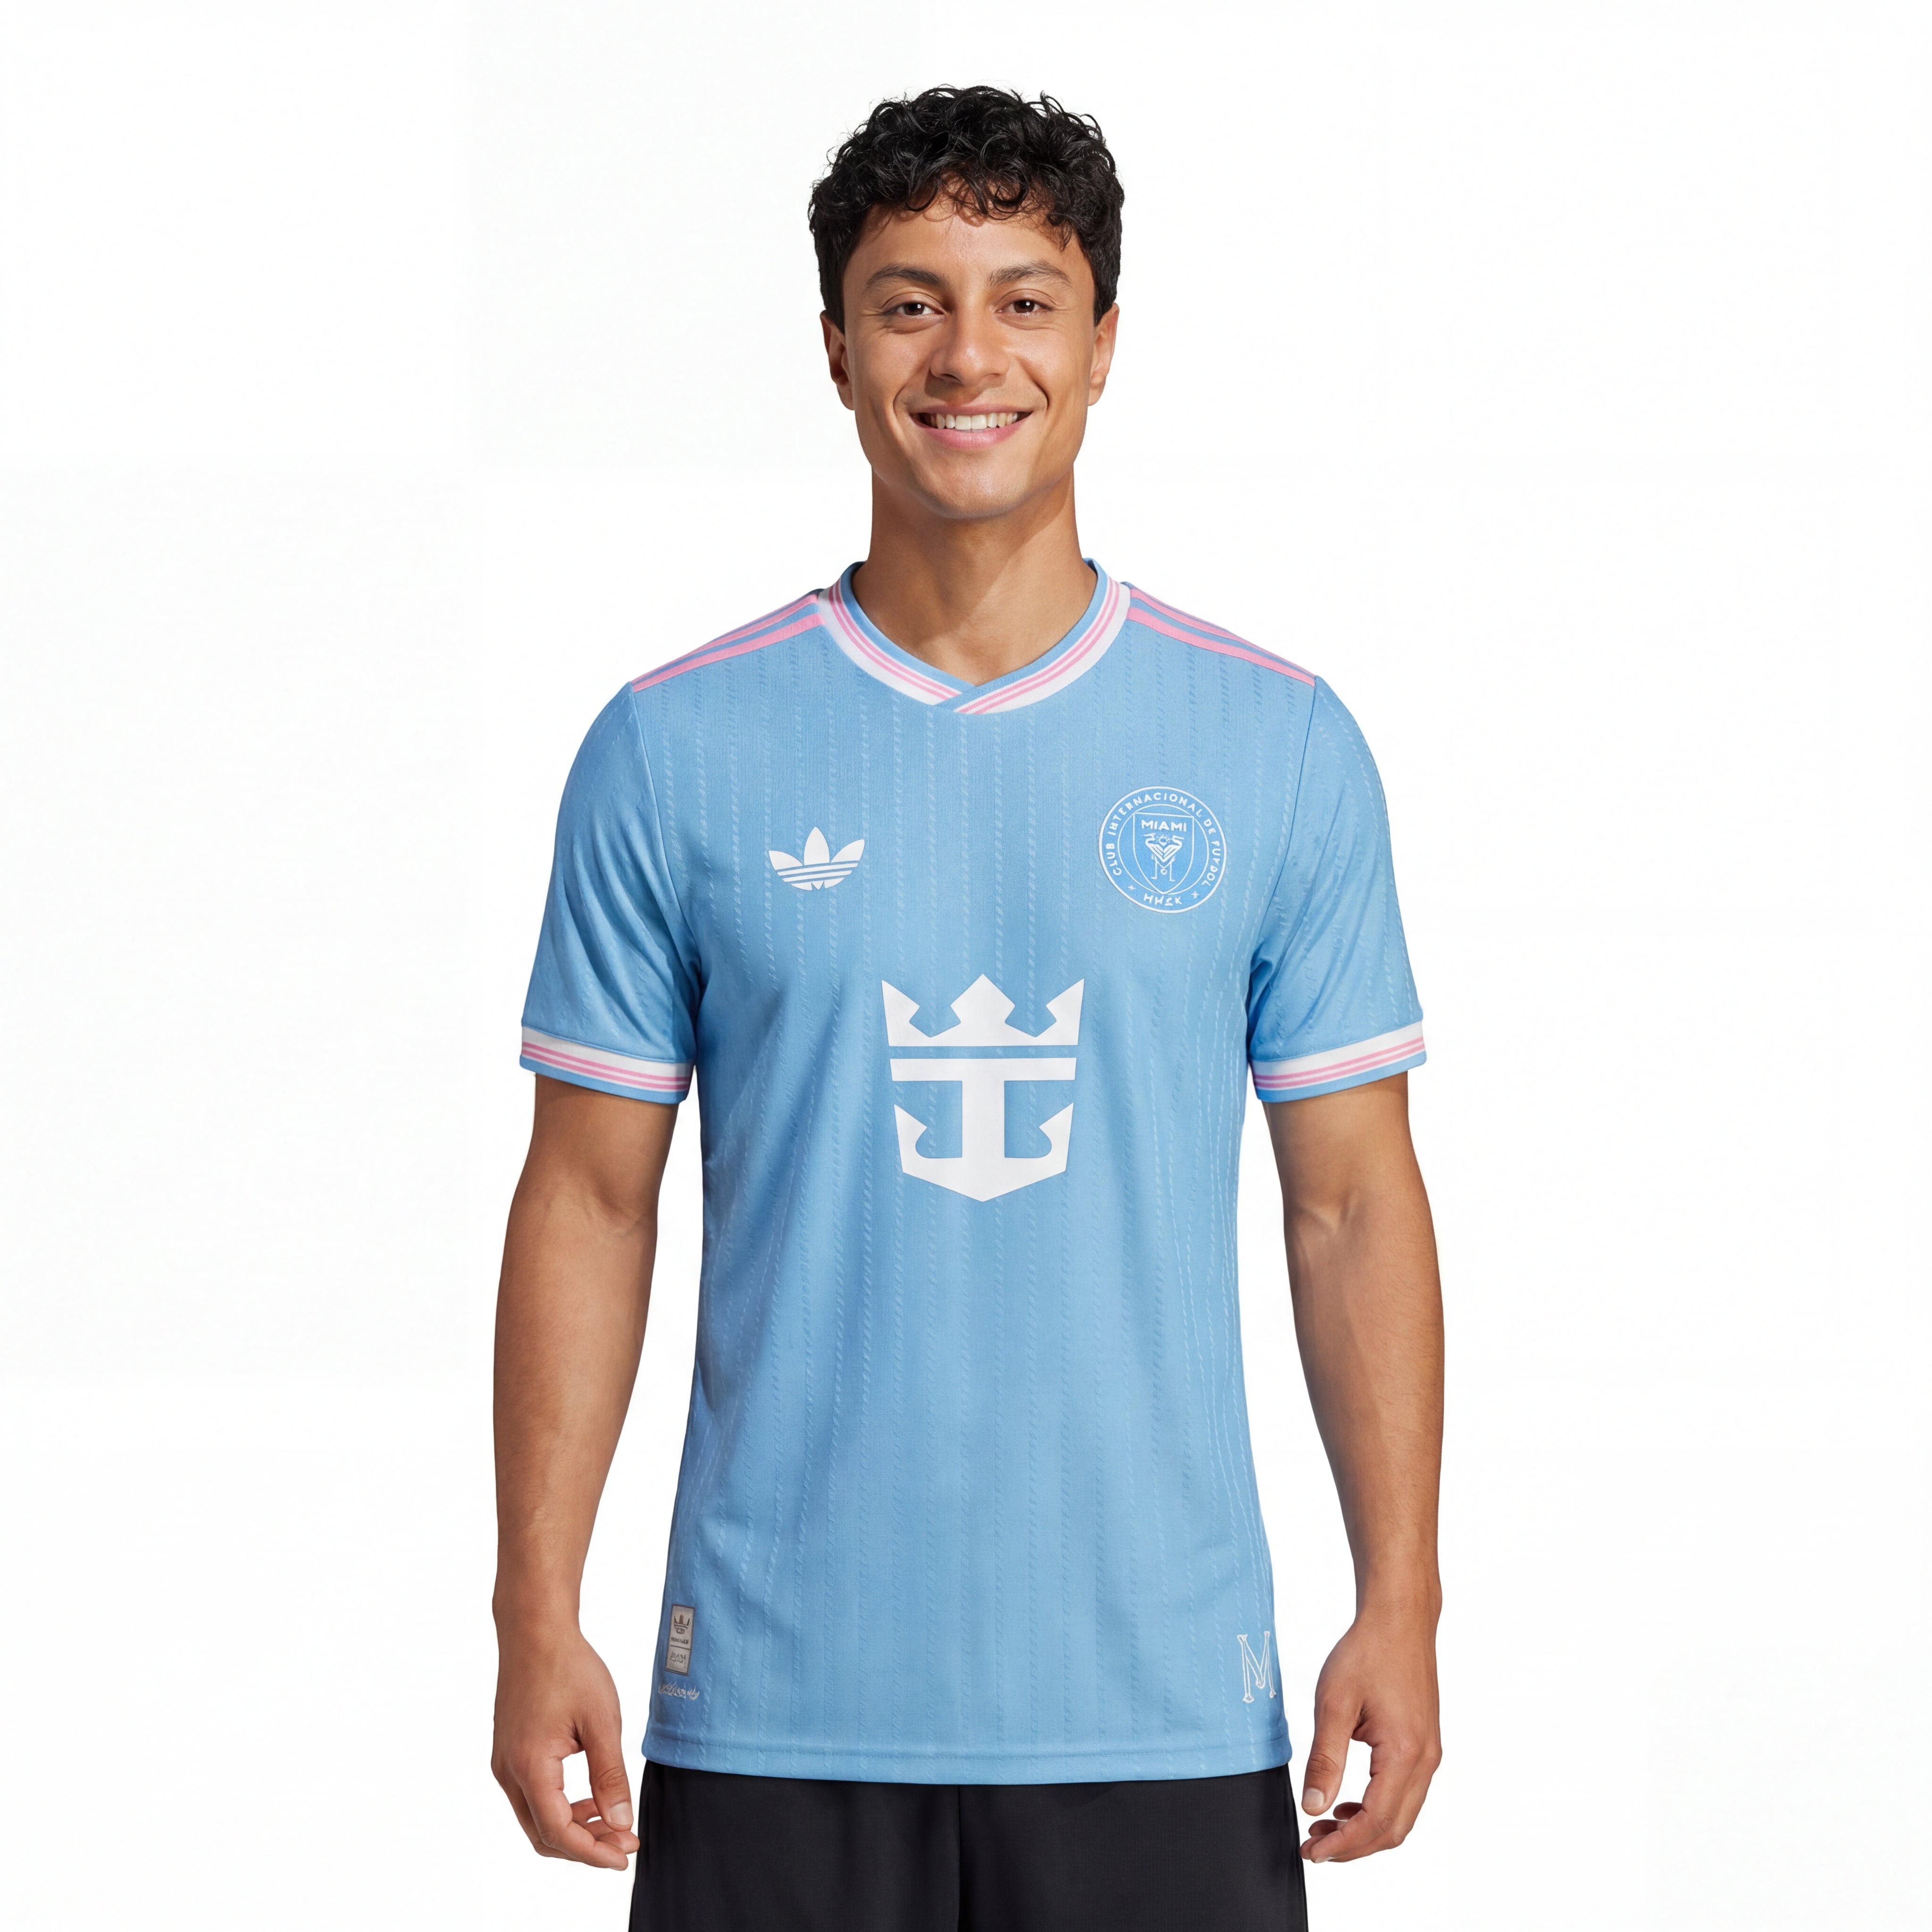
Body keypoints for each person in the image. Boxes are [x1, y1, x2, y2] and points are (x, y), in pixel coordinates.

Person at [490, 84, 1443, 1932]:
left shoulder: (1275, 744)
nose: (967, 356)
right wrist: (538, 1610)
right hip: (772, 1697)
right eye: (909, 302)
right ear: (835, 349)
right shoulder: (673, 747)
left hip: (1160, 1700)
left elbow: (1351, 1202)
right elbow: (590, 1200)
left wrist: (1398, 1596)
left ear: (1104, 344)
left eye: (1024, 300)